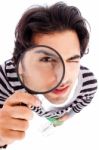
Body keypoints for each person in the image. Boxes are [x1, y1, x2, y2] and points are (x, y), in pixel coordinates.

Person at [0, 1, 98, 148]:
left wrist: (66, 117)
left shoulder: (89, 85)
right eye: (46, 60)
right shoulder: (8, 76)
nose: (63, 79)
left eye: (72, 59)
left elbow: (82, 103)